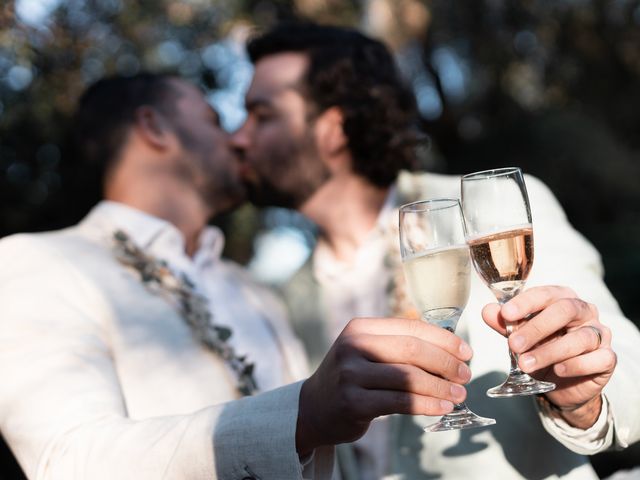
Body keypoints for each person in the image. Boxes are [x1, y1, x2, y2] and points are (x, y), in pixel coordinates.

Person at [0, 74, 478, 479]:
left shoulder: (254, 292)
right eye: (213, 119)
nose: (237, 139)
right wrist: (300, 415)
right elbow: (67, 461)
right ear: (154, 127)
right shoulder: (37, 264)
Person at [230, 23, 640, 479]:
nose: (238, 138)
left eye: (261, 115)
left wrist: (583, 400)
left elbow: (630, 369)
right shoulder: (285, 299)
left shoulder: (491, 210)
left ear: (333, 128)